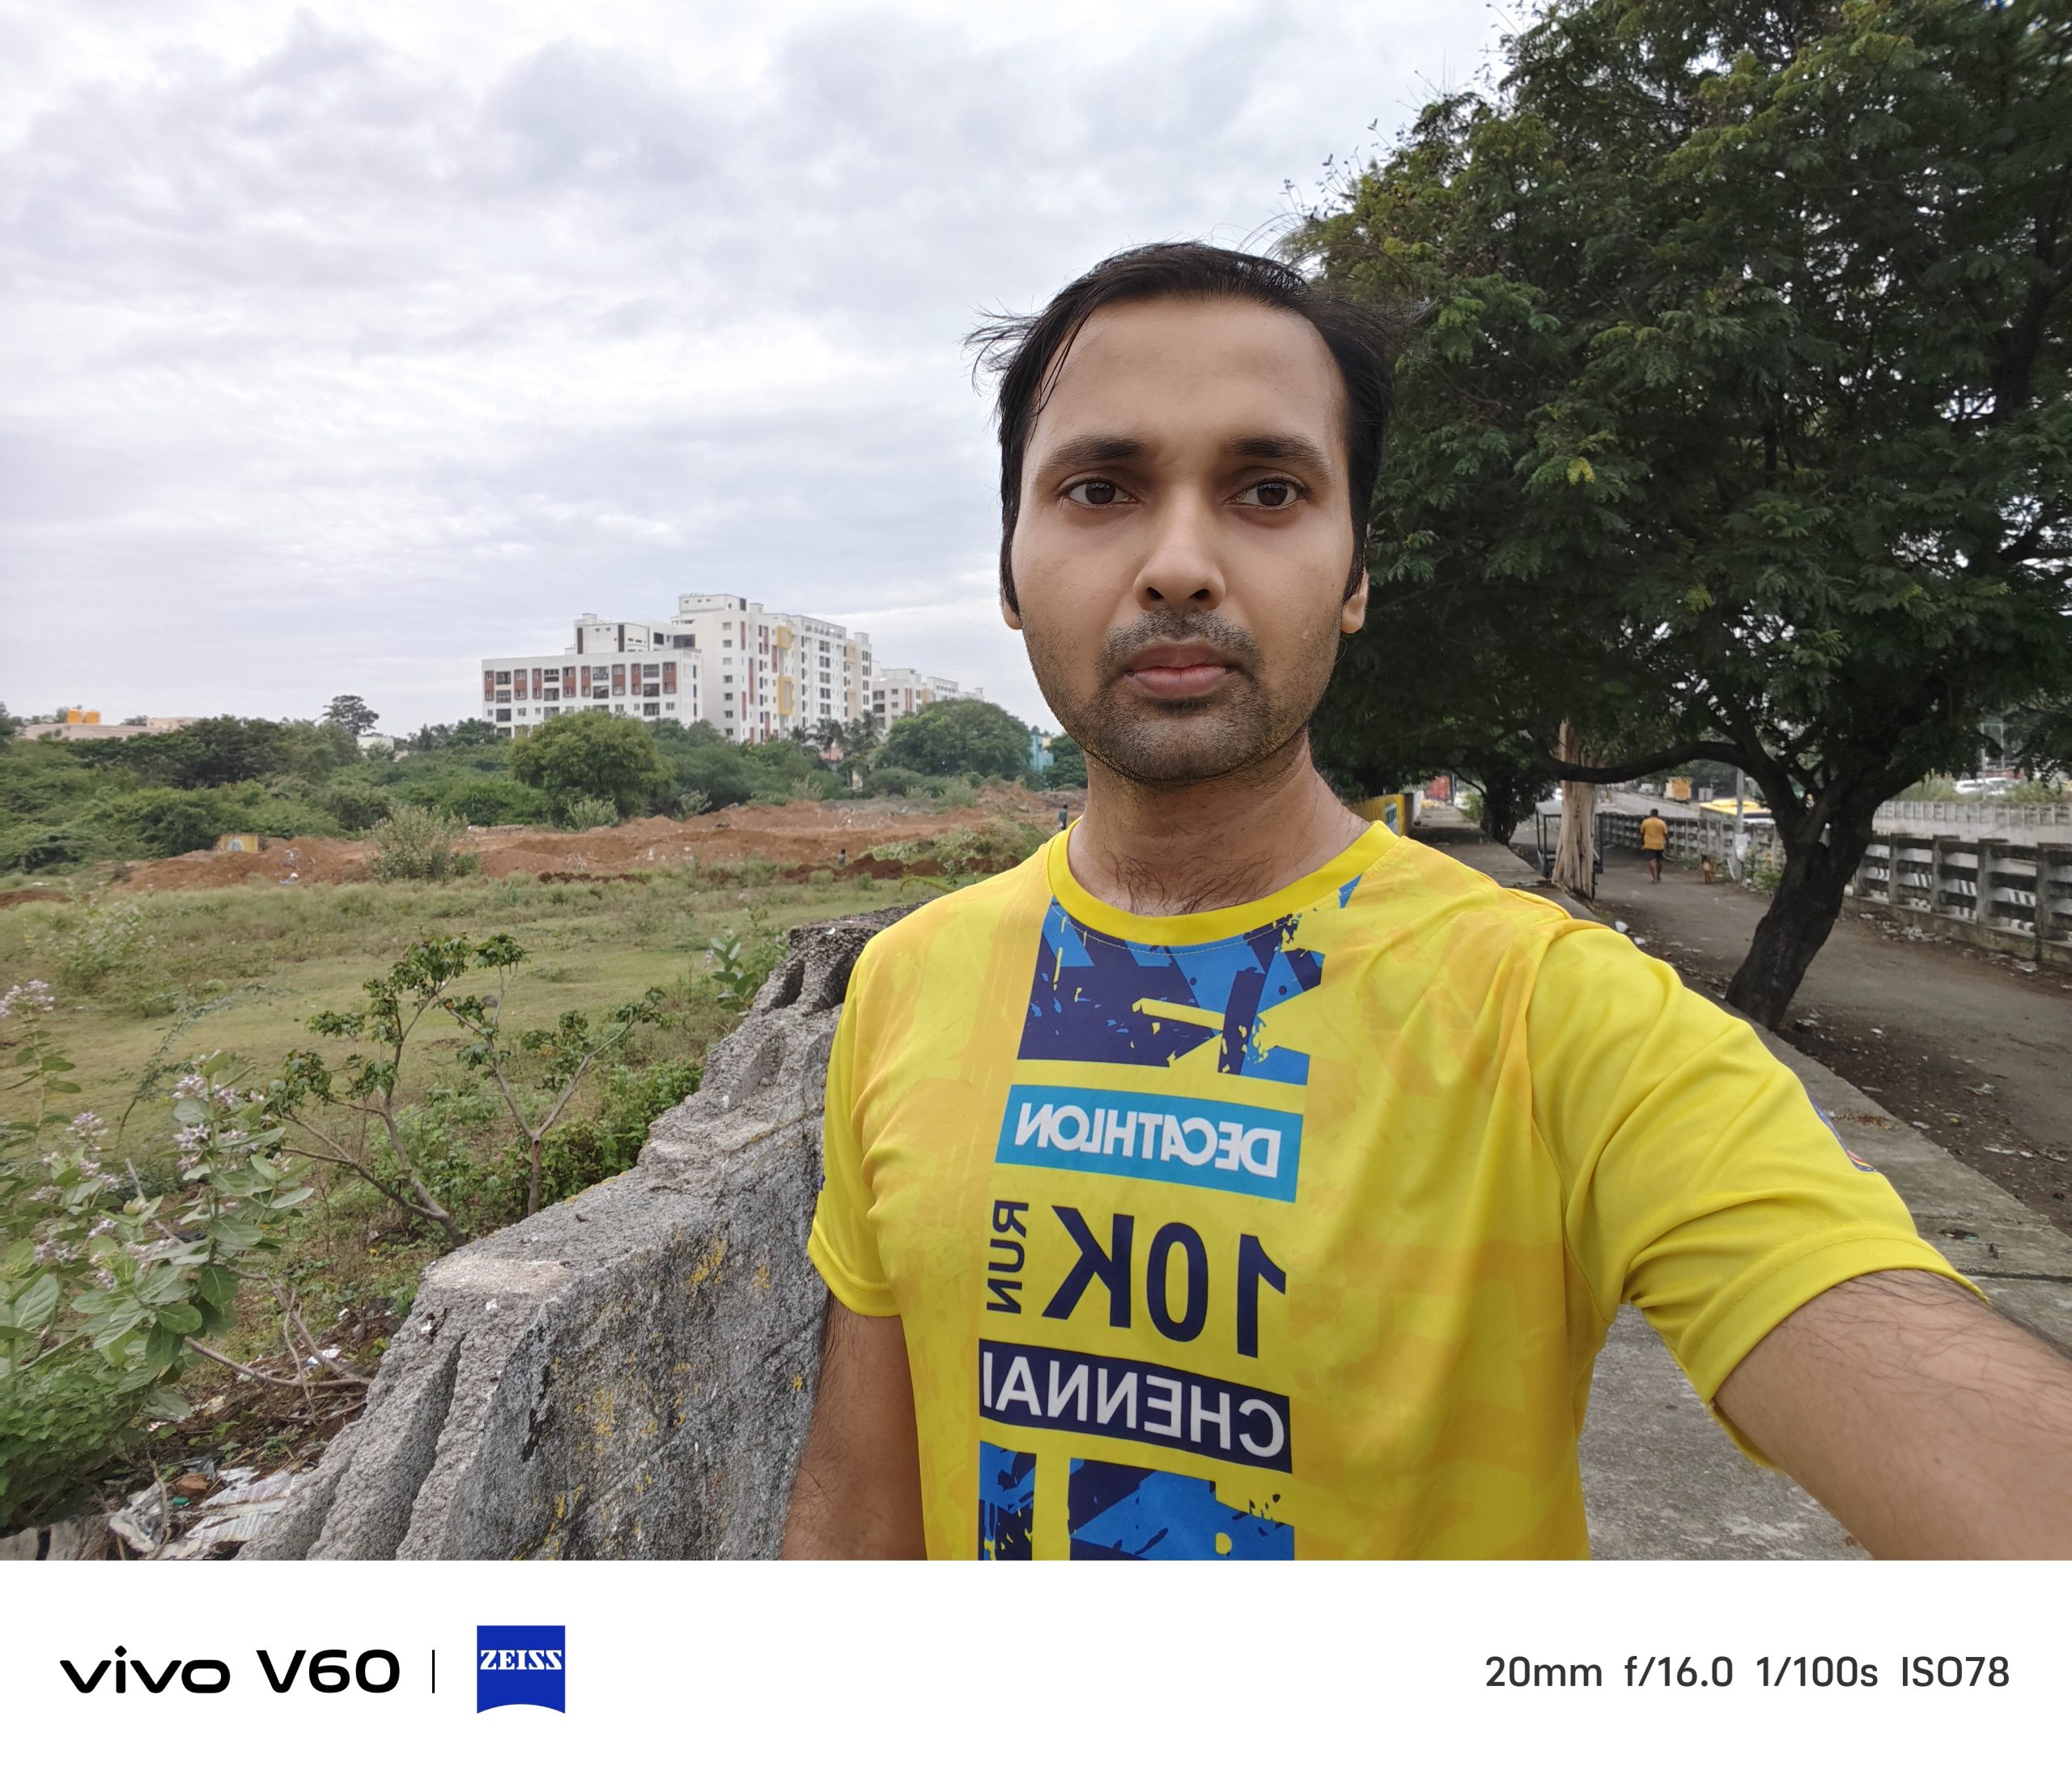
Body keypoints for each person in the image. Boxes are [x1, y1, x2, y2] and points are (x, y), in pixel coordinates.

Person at [783, 243, 2072, 1561]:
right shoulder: (908, 981)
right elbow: (860, 1509)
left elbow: (1873, 1338)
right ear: (1009, 569)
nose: (1178, 564)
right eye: (1100, 488)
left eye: (1268, 490)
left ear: (1355, 575)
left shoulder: (1552, 1012)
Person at [1641, 807, 1668, 883]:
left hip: (1649, 844)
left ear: (1651, 814)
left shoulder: (1646, 822)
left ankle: (1655, 878)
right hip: (1659, 844)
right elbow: (1666, 834)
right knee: (1659, 860)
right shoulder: (1661, 822)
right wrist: (1667, 844)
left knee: (1651, 860)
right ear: (1657, 814)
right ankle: (1658, 876)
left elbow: (1642, 833)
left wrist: (1642, 842)